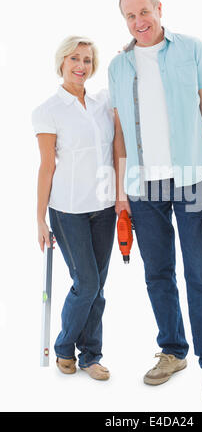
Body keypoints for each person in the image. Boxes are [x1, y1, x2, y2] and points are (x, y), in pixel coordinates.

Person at [109, 0, 202, 402]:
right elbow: (119, 135)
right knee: (157, 273)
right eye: (130, 16)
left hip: (190, 178)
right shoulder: (118, 67)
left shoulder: (192, 49)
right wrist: (120, 190)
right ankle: (172, 350)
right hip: (143, 186)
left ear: (159, 8)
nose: (138, 22)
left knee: (200, 272)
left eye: (143, 12)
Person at [32, 36, 116, 380]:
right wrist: (39, 219)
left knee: (98, 286)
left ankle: (91, 356)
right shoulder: (47, 111)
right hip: (68, 211)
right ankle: (65, 347)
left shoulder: (102, 104)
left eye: (87, 60)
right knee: (87, 282)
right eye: (75, 59)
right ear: (62, 63)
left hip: (106, 207)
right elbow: (46, 166)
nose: (82, 66)